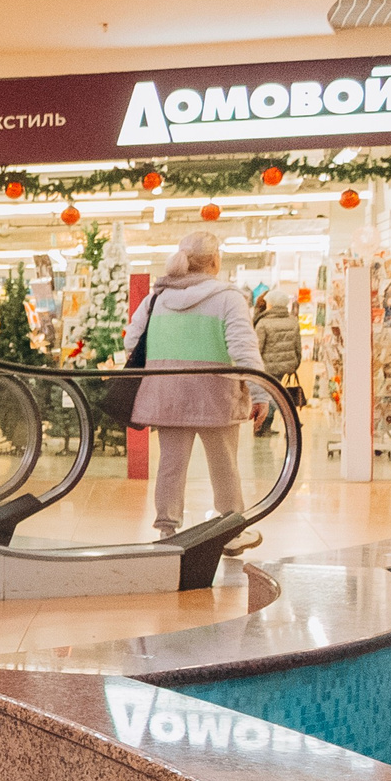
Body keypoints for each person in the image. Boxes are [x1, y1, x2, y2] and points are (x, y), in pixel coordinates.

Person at [125, 227, 263, 546]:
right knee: (224, 465)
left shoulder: (155, 298)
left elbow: (133, 341)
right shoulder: (229, 298)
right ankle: (231, 532)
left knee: (171, 466)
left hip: (167, 395)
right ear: (215, 261)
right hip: (218, 397)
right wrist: (260, 392)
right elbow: (243, 348)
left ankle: (167, 531)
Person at [254, 285, 302, 438]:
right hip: (286, 366)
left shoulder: (263, 323)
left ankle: (290, 420)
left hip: (267, 366)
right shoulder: (293, 322)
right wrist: (294, 364)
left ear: (271, 304)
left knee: (271, 395)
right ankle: (266, 427)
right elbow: (298, 348)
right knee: (275, 393)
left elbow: (257, 348)